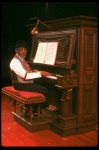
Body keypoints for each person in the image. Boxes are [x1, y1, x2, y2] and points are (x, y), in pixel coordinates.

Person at [10, 39, 50, 116]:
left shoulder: (21, 60)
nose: (23, 51)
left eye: (25, 49)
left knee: (44, 85)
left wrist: (38, 72)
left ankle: (32, 108)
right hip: (20, 85)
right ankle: (34, 112)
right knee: (44, 90)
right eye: (21, 50)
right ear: (16, 51)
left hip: (23, 83)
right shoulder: (15, 61)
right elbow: (25, 76)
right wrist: (40, 73)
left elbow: (28, 73)